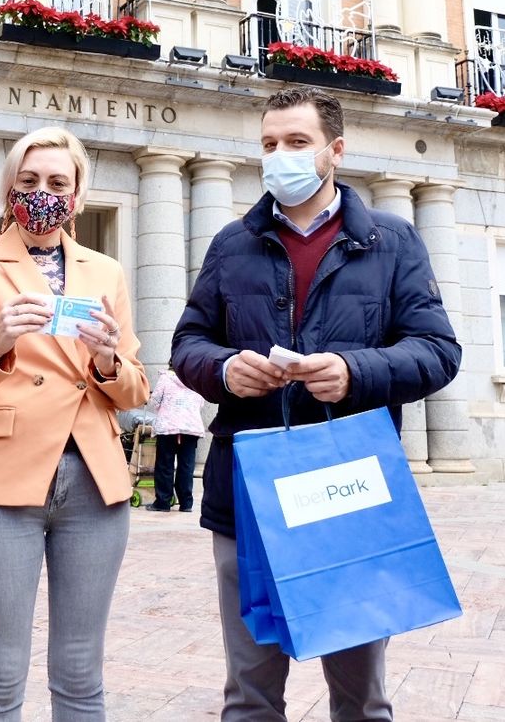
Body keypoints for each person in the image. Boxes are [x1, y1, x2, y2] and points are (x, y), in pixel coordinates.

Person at [172, 84, 460, 722]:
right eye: (270, 144)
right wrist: (225, 370)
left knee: (361, 699)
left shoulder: (392, 240)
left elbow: (439, 351)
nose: (280, 156)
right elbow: (188, 344)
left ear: (334, 149)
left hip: (347, 489)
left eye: (297, 143)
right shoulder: (230, 243)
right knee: (248, 695)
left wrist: (352, 371)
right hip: (247, 491)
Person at [0, 127, 151, 721]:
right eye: (28, 182)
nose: (43, 193)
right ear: (8, 190)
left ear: (77, 196)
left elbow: (137, 389)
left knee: (81, 672)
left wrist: (108, 362)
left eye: (58, 182)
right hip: (1, 481)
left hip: (94, 485)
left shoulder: (106, 272)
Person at [146, 369, 206, 513]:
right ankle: (186, 503)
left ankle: (163, 502)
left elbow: (154, 401)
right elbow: (201, 403)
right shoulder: (196, 377)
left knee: (164, 465)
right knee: (186, 465)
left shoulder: (166, 378)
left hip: (168, 426)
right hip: (190, 427)